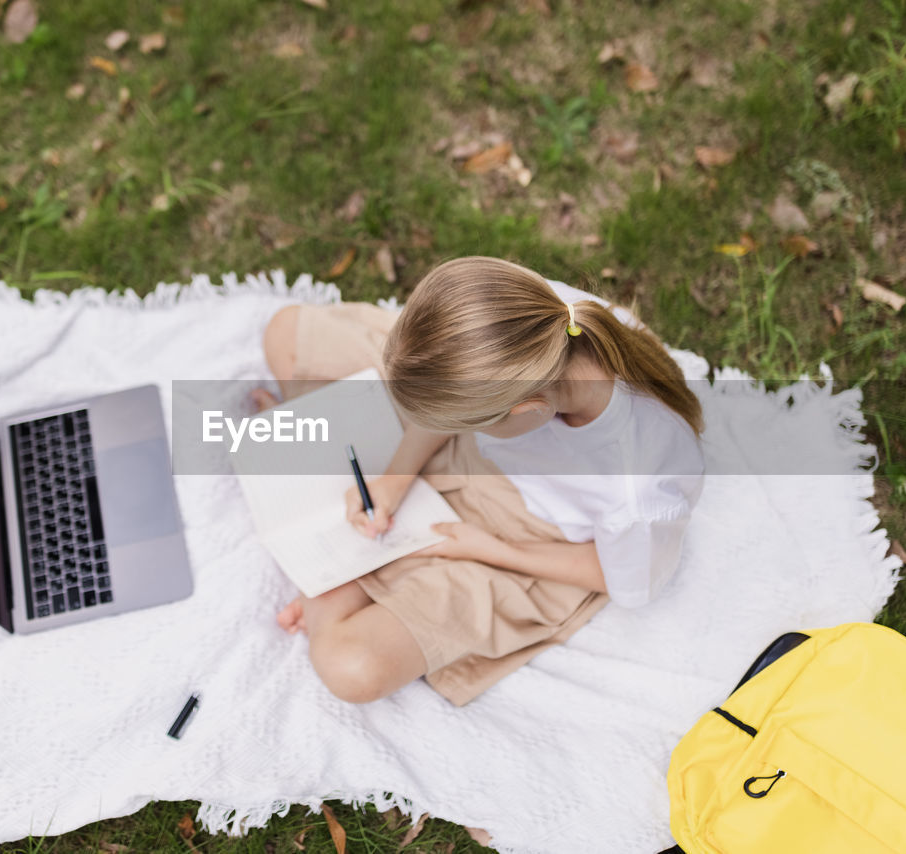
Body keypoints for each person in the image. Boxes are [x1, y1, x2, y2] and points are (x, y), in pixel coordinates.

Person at [254, 256, 705, 706]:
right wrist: (394, 479)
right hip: (471, 431)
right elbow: (452, 399)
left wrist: (493, 552)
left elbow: (627, 580)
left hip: (528, 530)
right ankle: (355, 570)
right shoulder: (540, 315)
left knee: (353, 667)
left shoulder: (640, 490)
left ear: (527, 411)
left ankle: (335, 585)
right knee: (286, 334)